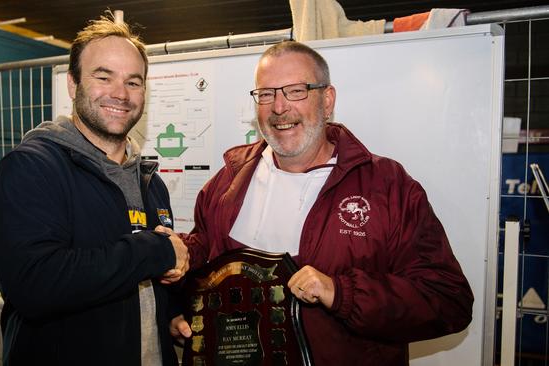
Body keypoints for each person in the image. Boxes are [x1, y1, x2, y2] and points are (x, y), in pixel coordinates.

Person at [174, 41, 474, 365]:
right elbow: (206, 265)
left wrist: (341, 293)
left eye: (296, 91)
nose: (278, 107)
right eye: (266, 93)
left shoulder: (387, 187)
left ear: (327, 100)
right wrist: (180, 299)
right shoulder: (227, 183)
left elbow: (448, 299)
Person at [0, 12, 190, 366]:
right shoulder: (31, 167)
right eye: (103, 77)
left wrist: (170, 312)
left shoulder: (150, 180)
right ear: (72, 84)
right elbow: (34, 284)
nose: (120, 94)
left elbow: (142, 280)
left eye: (134, 81)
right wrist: (155, 250)